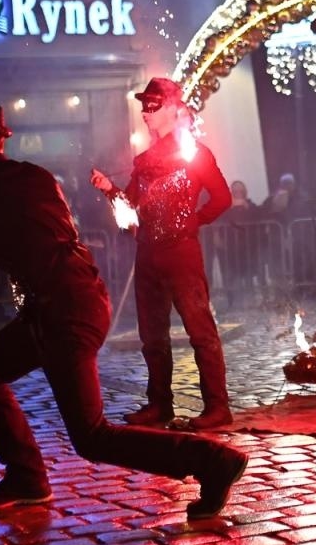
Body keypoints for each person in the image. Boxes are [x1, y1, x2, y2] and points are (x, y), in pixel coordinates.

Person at [0, 98, 247, 516]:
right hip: (76, 301)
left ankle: (213, 461)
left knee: (92, 437)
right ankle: (26, 476)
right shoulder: (35, 176)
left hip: (61, 314)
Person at [91, 77, 234, 432]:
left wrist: (193, 222)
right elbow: (130, 213)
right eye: (144, 105)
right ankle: (160, 404)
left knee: (201, 331)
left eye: (153, 105)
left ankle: (218, 407)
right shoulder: (143, 161)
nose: (146, 112)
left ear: (173, 107)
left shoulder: (194, 152)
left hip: (181, 253)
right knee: (152, 335)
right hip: (149, 253)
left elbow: (223, 198)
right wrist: (110, 191)